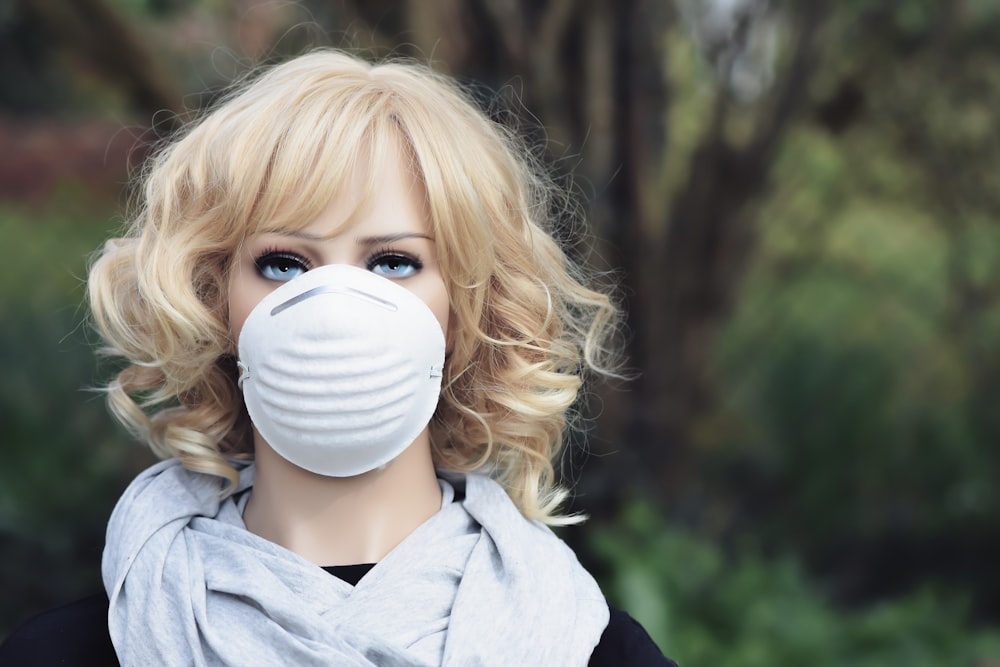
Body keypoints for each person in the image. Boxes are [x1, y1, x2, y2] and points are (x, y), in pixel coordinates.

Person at [0, 50, 675, 666]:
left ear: (468, 309)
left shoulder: (591, 652)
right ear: (214, 302)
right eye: (284, 263)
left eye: (393, 261)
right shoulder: (71, 654)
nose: (333, 303)